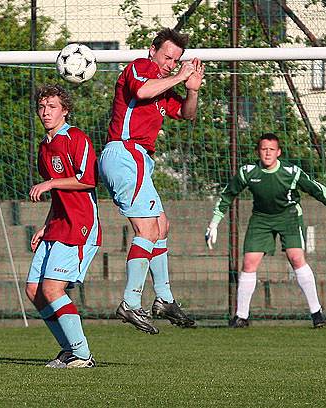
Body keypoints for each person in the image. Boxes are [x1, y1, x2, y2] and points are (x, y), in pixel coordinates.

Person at [99, 27, 204, 334]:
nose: (171, 64)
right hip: (124, 153)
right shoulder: (139, 67)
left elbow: (187, 114)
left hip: (138, 159)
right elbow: (142, 91)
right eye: (168, 57)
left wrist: (193, 89)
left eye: (176, 60)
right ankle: (131, 302)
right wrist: (180, 76)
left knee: (161, 226)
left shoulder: (165, 86)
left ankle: (165, 300)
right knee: (146, 229)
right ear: (152, 50)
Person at [205, 133, 326, 329]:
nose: (267, 153)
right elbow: (227, 195)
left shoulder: (291, 171)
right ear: (258, 151)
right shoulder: (248, 172)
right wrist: (214, 223)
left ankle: (316, 313)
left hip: (289, 217)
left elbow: (315, 188)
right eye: (263, 149)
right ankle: (241, 317)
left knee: (296, 258)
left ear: (278, 152)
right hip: (261, 218)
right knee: (249, 262)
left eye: (271, 150)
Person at [25, 84, 100, 368]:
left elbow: (87, 180)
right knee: (34, 290)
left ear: (65, 110)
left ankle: (82, 355)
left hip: (80, 224)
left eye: (52, 107)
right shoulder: (44, 147)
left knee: (53, 289)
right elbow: (58, 196)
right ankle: (69, 350)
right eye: (42, 107)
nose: (46, 113)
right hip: (57, 224)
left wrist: (51, 182)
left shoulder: (76, 138)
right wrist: (46, 226)